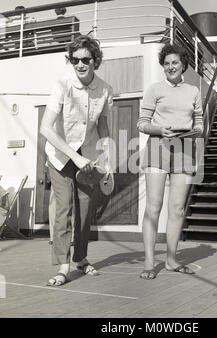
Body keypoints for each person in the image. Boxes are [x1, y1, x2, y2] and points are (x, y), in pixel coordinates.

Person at [40, 35, 113, 286]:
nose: (80, 64)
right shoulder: (61, 85)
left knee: (84, 211)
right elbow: (46, 128)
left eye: (85, 59)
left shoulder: (105, 90)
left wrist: (107, 157)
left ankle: (81, 259)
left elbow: (103, 128)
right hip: (60, 157)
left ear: (95, 61)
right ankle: (63, 266)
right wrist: (75, 158)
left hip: (90, 158)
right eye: (75, 59)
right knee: (64, 209)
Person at [137, 43, 203, 279]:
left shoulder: (194, 92)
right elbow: (142, 123)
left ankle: (172, 260)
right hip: (158, 147)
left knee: (177, 209)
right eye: (166, 63)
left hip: (185, 150)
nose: (171, 67)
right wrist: (158, 129)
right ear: (163, 67)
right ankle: (148, 262)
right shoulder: (154, 89)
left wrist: (196, 131)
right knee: (153, 207)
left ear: (183, 64)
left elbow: (200, 124)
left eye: (175, 62)